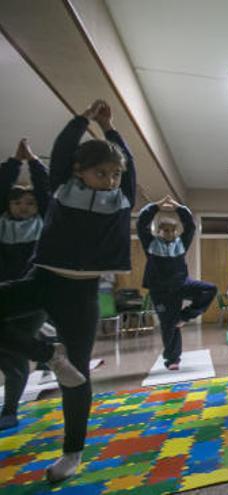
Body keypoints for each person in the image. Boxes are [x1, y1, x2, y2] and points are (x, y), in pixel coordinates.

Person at [0, 100, 137, 481]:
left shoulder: (120, 201)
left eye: (114, 174)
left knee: (78, 376)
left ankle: (72, 454)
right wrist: (84, 120)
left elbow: (128, 167)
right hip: (43, 280)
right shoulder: (61, 189)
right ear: (79, 171)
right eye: (101, 173)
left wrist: (112, 131)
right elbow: (61, 151)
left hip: (82, 295)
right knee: (60, 360)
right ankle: (46, 352)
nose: (109, 180)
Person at [0, 138, 50, 431]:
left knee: (13, 355)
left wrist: (33, 164)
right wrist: (13, 164)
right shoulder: (3, 226)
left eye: (29, 203)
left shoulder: (43, 224)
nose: (24, 207)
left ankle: (10, 409)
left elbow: (45, 195)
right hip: (5, 296)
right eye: (17, 202)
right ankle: (45, 350)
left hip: (32, 299)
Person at [137, 195, 216, 370]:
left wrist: (179, 207)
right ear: (158, 232)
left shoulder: (180, 244)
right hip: (161, 293)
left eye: (173, 230)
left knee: (210, 289)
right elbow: (141, 222)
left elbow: (190, 226)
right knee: (168, 325)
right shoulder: (151, 244)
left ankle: (185, 316)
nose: (170, 233)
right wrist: (156, 206)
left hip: (181, 285)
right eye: (165, 230)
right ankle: (173, 359)